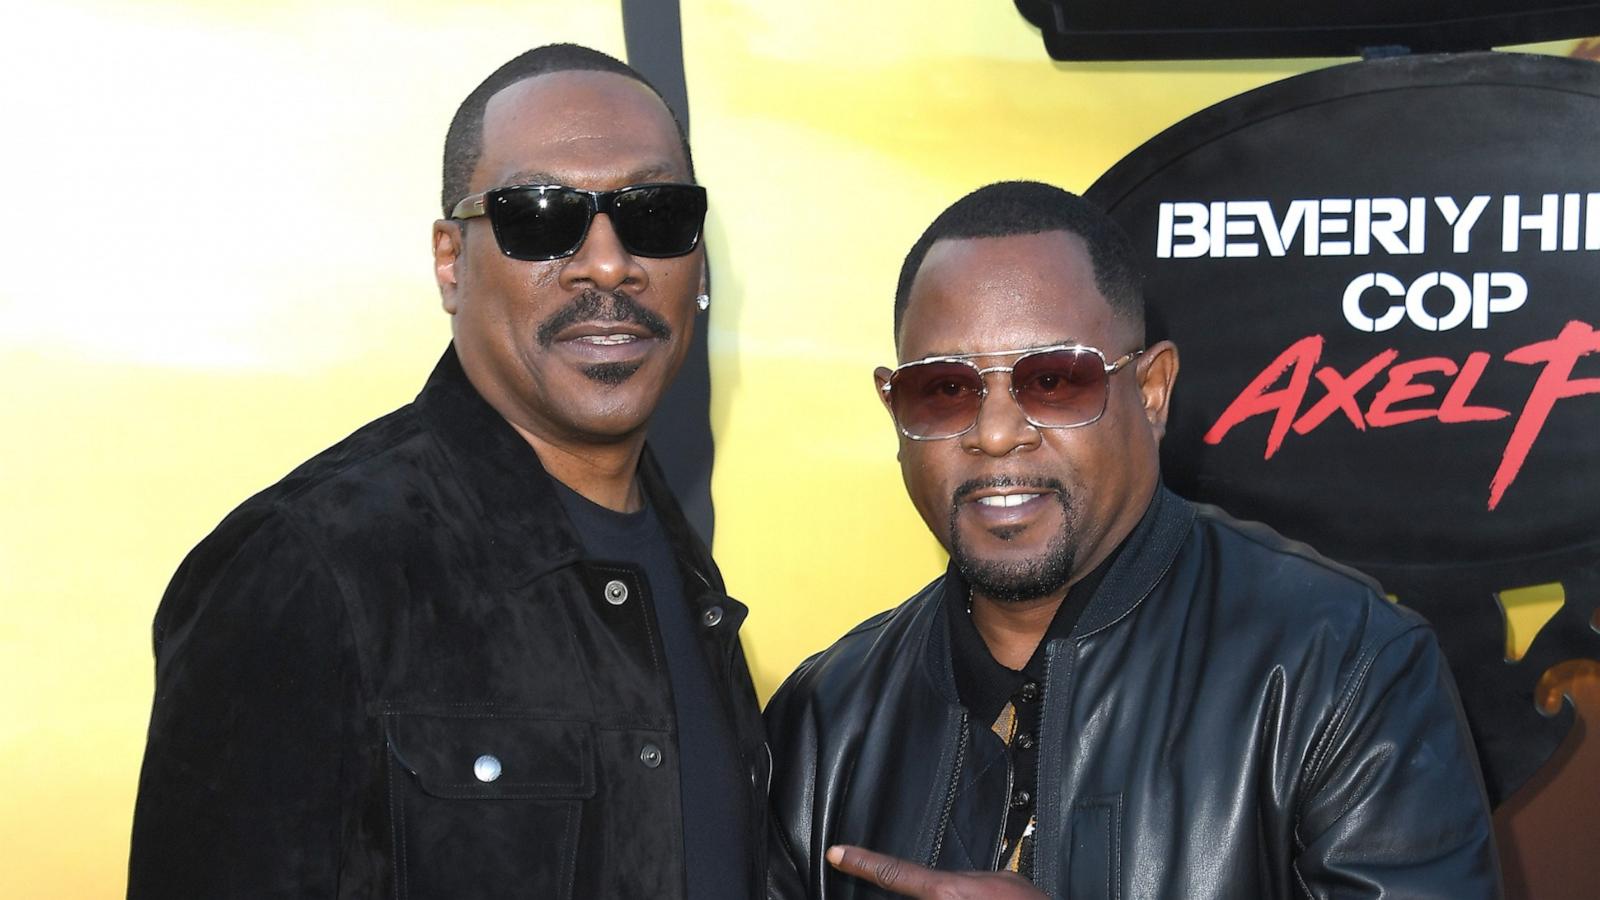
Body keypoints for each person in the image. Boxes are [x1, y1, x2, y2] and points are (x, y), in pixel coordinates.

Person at [129, 44, 774, 899]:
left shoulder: (690, 581)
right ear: (449, 262)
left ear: (696, 263)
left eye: (653, 214)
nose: (608, 263)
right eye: (540, 216)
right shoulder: (308, 570)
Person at [764, 181, 1501, 899]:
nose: (994, 435)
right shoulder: (824, 719)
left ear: (1151, 391)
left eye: (1054, 381)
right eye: (947, 390)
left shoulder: (1345, 669)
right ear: (897, 411)